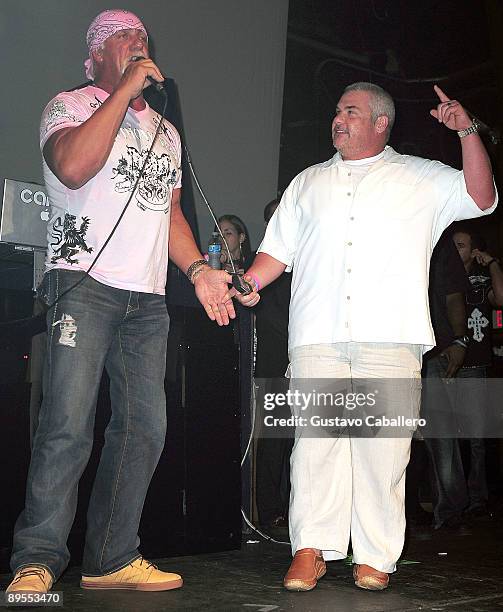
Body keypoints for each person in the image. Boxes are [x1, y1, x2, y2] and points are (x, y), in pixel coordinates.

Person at [7, 9, 235, 595]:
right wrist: (127, 91)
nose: (141, 45)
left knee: (144, 429)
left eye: (144, 39)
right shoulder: (69, 105)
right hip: (83, 286)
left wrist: (200, 270)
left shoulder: (166, 130)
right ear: (96, 55)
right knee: (67, 426)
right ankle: (36, 559)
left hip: (147, 299)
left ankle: (110, 558)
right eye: (126, 39)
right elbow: (74, 166)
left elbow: (171, 213)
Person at [236, 81, 497, 592]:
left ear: (381, 122)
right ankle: (312, 548)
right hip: (317, 333)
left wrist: (465, 129)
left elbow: (481, 198)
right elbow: (276, 252)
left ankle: (375, 555)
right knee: (316, 447)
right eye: (336, 111)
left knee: (383, 451)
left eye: (350, 111)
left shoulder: (420, 177)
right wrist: (247, 283)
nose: (338, 119)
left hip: (390, 336)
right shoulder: (307, 183)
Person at [421, 233, 471, 530]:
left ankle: (450, 509)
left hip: (434, 348)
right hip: (392, 347)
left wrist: (460, 340)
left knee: (440, 435)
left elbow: (454, 294)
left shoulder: (439, 238)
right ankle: (409, 510)